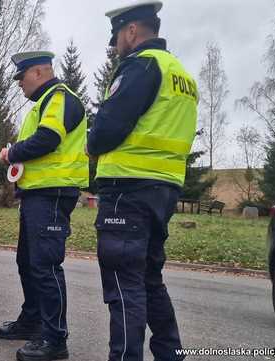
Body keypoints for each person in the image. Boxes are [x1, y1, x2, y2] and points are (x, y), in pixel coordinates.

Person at [87, 1, 198, 360]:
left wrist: (93, 143)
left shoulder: (140, 65)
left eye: (118, 35)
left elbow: (105, 129)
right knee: (149, 278)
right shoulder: (180, 74)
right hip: (163, 189)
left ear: (131, 30)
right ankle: (170, 353)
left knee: (123, 285)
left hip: (127, 191)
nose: (116, 44)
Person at [0, 51, 89, 361]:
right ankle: (33, 321)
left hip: (52, 193)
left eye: (22, 77)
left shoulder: (59, 97)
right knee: (28, 262)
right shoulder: (46, 102)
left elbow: (47, 140)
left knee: (46, 267)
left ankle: (54, 339)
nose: (20, 84)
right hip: (38, 194)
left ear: (39, 72)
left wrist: (12, 153)